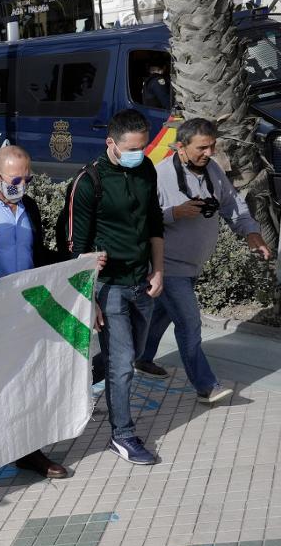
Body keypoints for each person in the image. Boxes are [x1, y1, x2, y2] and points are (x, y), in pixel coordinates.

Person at [136, 117, 272, 404]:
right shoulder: (159, 175)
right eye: (202, 148)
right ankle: (206, 386)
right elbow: (139, 219)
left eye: (211, 146)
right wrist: (174, 213)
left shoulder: (212, 169)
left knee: (161, 313)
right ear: (181, 147)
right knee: (189, 323)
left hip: (192, 265)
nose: (209, 153)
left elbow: (232, 204)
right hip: (167, 266)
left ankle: (142, 358)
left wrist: (251, 233)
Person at [69, 108, 166, 465]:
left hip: (143, 283)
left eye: (143, 146)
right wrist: (88, 298)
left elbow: (154, 223)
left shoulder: (146, 169)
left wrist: (159, 271)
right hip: (108, 288)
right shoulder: (88, 182)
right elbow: (76, 248)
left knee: (130, 355)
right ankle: (122, 435)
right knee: (123, 363)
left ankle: (86, 382)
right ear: (111, 142)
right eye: (132, 148)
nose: (139, 153)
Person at [0, 146, 72, 480]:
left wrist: (78, 263)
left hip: (28, 310)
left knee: (30, 381)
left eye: (27, 178)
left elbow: (38, 254)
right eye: (16, 179)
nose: (23, 184)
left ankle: (29, 451)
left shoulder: (29, 205)